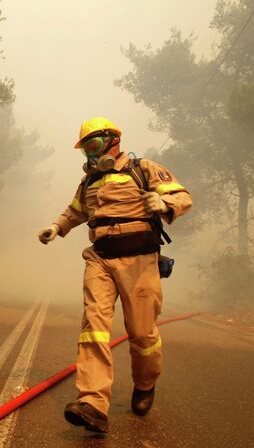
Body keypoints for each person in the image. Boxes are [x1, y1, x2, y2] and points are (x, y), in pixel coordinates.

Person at [38, 117, 192, 432]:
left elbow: (182, 197)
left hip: (139, 260)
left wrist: (162, 201)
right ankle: (92, 404)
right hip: (100, 260)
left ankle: (146, 383)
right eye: (85, 151)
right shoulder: (89, 182)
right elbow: (75, 211)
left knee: (142, 332)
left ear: (112, 141)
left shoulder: (143, 169)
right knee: (93, 328)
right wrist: (57, 227)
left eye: (93, 146)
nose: (90, 156)